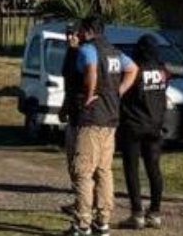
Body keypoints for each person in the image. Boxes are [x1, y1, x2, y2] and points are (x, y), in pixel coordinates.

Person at [69, 18, 139, 236]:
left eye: (81, 30)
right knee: (104, 171)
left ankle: (82, 224)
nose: (78, 34)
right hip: (110, 118)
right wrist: (118, 92)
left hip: (91, 119)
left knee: (83, 171)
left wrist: (88, 95)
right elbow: (133, 69)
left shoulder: (88, 49)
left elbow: (91, 69)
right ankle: (103, 221)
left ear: (88, 31)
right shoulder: (115, 52)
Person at [117, 35, 169, 229]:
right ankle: (155, 212)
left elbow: (124, 92)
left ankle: (137, 213)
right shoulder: (163, 71)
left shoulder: (135, 69)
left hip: (133, 124)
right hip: (155, 125)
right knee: (154, 168)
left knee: (132, 169)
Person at [58, 25, 83, 217]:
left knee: (81, 162)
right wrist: (64, 106)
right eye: (67, 34)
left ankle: (85, 204)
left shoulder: (85, 55)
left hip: (85, 116)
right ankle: (79, 199)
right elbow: (69, 86)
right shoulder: (70, 54)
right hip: (72, 113)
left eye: (73, 34)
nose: (69, 38)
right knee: (71, 161)